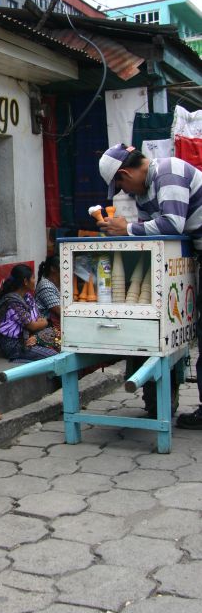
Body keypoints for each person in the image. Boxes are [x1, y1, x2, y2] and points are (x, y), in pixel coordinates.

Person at [98, 143, 201, 427]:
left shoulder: (168, 172)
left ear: (124, 173)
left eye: (121, 185)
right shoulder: (144, 194)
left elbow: (172, 224)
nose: (126, 193)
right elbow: (153, 238)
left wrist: (127, 228)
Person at [0, 264, 58, 362]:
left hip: (30, 338)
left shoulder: (28, 297)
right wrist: (44, 322)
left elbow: (38, 318)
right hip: (15, 346)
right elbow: (32, 326)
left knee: (60, 344)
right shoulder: (13, 302)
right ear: (25, 281)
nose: (35, 281)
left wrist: (40, 324)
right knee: (54, 356)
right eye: (33, 278)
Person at [35, 255, 61, 329]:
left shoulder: (56, 283)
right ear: (53, 269)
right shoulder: (46, 286)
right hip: (45, 328)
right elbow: (60, 312)